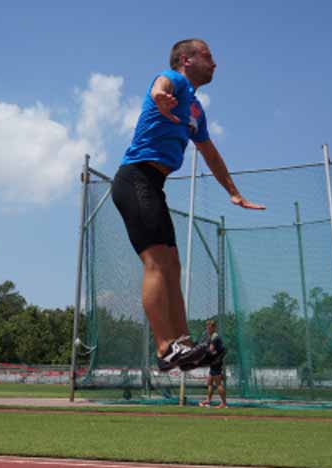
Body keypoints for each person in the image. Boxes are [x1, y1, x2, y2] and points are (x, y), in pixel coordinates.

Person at [112, 38, 265, 372]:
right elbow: (159, 83)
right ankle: (165, 348)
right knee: (156, 262)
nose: (215, 63)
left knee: (173, 265)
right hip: (135, 179)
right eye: (208, 56)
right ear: (186, 60)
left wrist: (233, 192)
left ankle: (182, 342)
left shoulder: (195, 108)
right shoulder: (174, 82)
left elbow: (210, 152)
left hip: (153, 186)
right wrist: (158, 97)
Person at [198, 320, 227, 408]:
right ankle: (208, 400)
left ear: (214, 328)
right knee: (209, 382)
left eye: (210, 328)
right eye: (207, 327)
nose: (208, 329)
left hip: (216, 363)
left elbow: (210, 350)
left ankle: (223, 403)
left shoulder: (215, 337)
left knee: (218, 383)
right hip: (214, 362)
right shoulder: (211, 337)